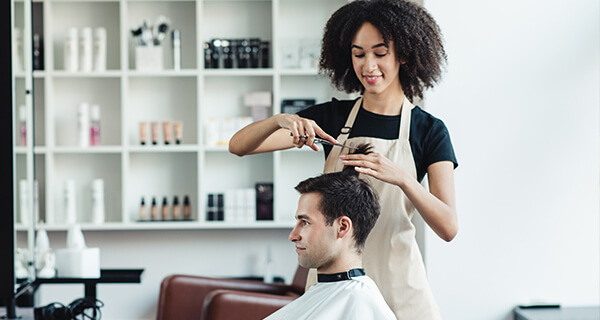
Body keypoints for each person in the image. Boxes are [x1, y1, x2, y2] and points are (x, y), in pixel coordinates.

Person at [230, 0, 458, 318]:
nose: (368, 66)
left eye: (380, 53)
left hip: (399, 285)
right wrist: (278, 120)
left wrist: (403, 178)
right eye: (358, 53)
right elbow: (239, 146)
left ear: (404, 54)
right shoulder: (332, 118)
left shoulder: (428, 130)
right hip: (334, 289)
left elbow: (448, 226)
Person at [265, 149, 396, 320]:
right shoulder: (326, 291)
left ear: (342, 227)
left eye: (305, 222)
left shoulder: (360, 303)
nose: (293, 235)